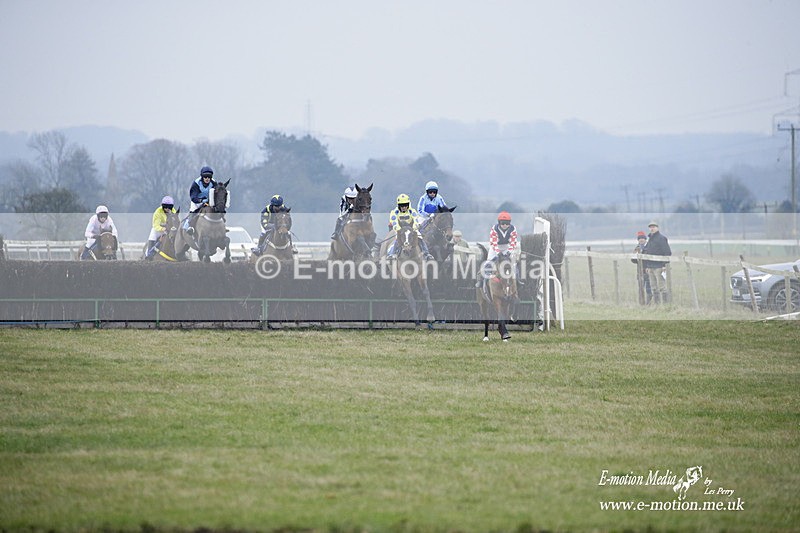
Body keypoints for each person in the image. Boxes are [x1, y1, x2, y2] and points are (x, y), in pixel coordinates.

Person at [478, 211, 519, 290]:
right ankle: (482, 280)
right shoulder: (494, 229)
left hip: (507, 247)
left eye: (507, 223)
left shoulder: (513, 229)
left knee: (514, 263)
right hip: (495, 248)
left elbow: (513, 242)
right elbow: (493, 242)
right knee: (488, 263)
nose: (504, 225)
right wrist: (498, 252)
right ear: (499, 223)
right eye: (503, 223)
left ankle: (518, 279)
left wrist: (509, 252)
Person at [387, 193, 433, 260]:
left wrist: (414, 227)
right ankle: (392, 253)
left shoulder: (412, 211)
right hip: (401, 229)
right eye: (402, 205)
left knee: (420, 237)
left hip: (411, 228)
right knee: (398, 238)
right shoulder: (394, 212)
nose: (404, 207)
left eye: (405, 205)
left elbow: (416, 219)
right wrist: (398, 229)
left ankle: (426, 254)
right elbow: (394, 221)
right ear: (398, 205)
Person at [643, 221, 671, 304]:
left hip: (659, 266)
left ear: (657, 228)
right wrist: (647, 266)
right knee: (653, 286)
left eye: (653, 227)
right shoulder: (650, 239)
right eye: (650, 227)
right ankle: (657, 304)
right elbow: (648, 252)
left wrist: (664, 265)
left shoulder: (662, 238)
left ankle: (666, 305)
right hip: (650, 266)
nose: (652, 228)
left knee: (662, 286)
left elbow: (667, 252)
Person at [184, 166, 216, 234]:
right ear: (202, 177)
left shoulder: (214, 183)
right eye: (205, 177)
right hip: (197, 202)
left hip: (209, 201)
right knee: (193, 211)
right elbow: (193, 196)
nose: (207, 179)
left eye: (209, 177)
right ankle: (189, 226)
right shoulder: (196, 183)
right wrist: (201, 201)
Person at [144, 196, 177, 260]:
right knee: (152, 237)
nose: (167, 209)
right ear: (162, 206)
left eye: (169, 207)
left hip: (169, 229)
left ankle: (180, 252)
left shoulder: (174, 211)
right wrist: (163, 229)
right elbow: (156, 225)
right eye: (165, 207)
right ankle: (149, 254)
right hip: (158, 229)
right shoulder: (158, 212)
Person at [631, 230, 652, 304]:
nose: (641, 240)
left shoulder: (649, 246)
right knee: (641, 288)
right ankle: (641, 303)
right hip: (640, 271)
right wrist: (635, 257)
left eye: (642, 238)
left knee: (649, 288)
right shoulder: (637, 247)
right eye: (639, 238)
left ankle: (649, 303)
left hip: (648, 270)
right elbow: (633, 260)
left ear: (645, 239)